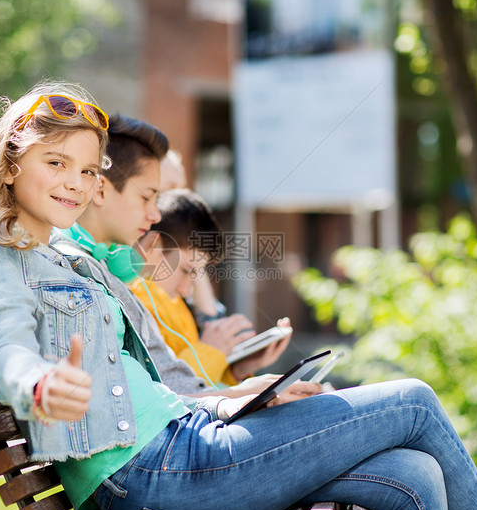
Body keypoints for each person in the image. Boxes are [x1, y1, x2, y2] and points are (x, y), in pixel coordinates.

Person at [0, 80, 477, 510]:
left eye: (88, 170)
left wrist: (237, 397)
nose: (76, 183)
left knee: (413, 478)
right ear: (11, 164)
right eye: (56, 163)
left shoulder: (68, 257)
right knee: (412, 400)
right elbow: (7, 345)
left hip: (184, 444)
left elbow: (152, 384)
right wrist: (39, 385)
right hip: (158, 474)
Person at [151, 166, 477, 510]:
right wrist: (225, 367)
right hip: (206, 458)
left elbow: (192, 387)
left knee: (415, 468)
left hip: (216, 438)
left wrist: (244, 372)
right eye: (155, 192)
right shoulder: (139, 291)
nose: (162, 205)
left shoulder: (166, 298)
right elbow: (181, 391)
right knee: (413, 402)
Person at [51, 114, 298, 400]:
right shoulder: (88, 277)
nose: (158, 214)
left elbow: (171, 384)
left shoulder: (115, 278)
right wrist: (234, 392)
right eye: (150, 196)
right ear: (102, 189)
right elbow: (163, 390)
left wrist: (240, 375)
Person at [131, 188, 288, 386]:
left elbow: (204, 386)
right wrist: (211, 349)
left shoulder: (175, 305)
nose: (186, 290)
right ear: (153, 246)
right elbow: (167, 390)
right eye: (186, 271)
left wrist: (237, 370)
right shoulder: (135, 303)